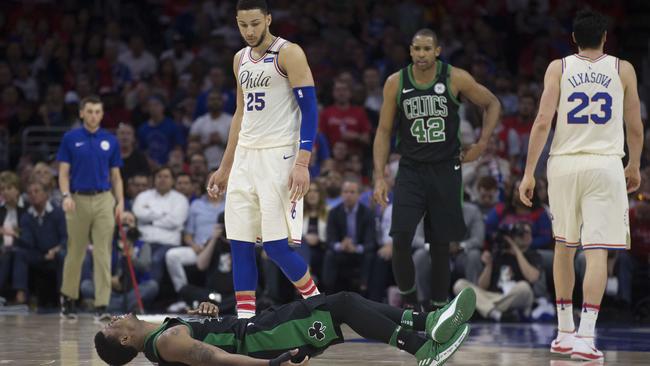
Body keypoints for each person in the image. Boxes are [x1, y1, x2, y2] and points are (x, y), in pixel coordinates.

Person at [518, 9, 644, 362]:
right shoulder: (623, 69)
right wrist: (634, 164)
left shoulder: (558, 67)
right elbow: (635, 126)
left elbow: (543, 120)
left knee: (563, 246)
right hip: (604, 164)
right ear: (605, 37)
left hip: (563, 165)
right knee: (597, 251)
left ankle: (563, 333)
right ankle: (586, 337)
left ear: (573, 38)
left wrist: (528, 172)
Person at [206, 0, 320, 318]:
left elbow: (310, 109)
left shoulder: (289, 53)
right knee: (239, 243)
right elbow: (239, 114)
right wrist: (225, 167)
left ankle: (319, 304)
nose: (250, 31)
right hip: (245, 157)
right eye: (243, 25)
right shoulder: (239, 59)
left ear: (268, 19)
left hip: (279, 155)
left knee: (275, 247)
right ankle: (246, 323)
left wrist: (302, 162)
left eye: (256, 23)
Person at [373, 28, 501, 309]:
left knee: (441, 244)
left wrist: (480, 144)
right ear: (410, 51)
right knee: (401, 238)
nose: (421, 54)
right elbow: (383, 132)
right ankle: (409, 304)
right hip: (410, 169)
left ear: (438, 51)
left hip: (445, 169)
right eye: (416, 49)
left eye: (427, 49)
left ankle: (437, 308)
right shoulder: (396, 82)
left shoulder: (455, 77)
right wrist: (379, 176)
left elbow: (492, 103)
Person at [95, 288, 477, 366]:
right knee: (340, 307)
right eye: (111, 328)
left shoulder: (165, 333)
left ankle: (430, 322)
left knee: (342, 302)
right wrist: (272, 365)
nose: (113, 320)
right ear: (126, 340)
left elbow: (208, 340)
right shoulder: (168, 342)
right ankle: (423, 348)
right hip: (262, 339)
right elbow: (215, 358)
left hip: (258, 329)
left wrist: (204, 315)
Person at [57, 95, 125, 320]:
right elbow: (63, 172)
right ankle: (68, 299)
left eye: (98, 111)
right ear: (81, 113)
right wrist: (65, 195)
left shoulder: (110, 140)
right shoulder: (70, 138)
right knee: (75, 251)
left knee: (103, 252)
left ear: (102, 114)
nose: (94, 115)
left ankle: (101, 306)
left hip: (104, 198)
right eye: (90, 111)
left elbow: (116, 176)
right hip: (77, 199)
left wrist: (120, 202)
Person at [453, 222, 541, 321]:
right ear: (513, 236)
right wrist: (488, 265)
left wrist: (516, 250)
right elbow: (482, 286)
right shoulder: (498, 253)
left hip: (514, 297)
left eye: (529, 232)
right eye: (522, 233)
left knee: (524, 287)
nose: (526, 235)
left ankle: (483, 309)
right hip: (492, 296)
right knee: (459, 284)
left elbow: (532, 277)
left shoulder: (533, 255)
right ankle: (496, 314)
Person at [132, 166, 189, 286]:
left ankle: (149, 293)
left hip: (168, 243)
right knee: (134, 259)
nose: (162, 179)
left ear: (173, 180)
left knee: (156, 259)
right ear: (154, 180)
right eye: (159, 176)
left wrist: (150, 219)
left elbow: (175, 221)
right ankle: (134, 292)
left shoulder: (180, 199)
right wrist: (164, 215)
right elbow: (138, 213)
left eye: (166, 177)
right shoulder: (143, 196)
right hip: (144, 241)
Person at [12, 181, 67, 305]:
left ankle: (64, 297)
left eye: (37, 191)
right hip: (38, 254)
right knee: (20, 253)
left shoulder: (58, 213)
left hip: (57, 252)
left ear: (46, 194)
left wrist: (56, 249)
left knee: (63, 255)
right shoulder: (27, 217)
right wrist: (18, 235)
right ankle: (20, 295)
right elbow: (28, 242)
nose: (33, 195)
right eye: (30, 193)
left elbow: (65, 237)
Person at [322, 178, 375, 294]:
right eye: (345, 192)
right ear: (341, 194)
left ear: (359, 195)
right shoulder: (334, 213)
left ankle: (364, 289)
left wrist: (356, 248)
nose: (348, 195)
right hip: (341, 251)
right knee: (329, 254)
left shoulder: (368, 213)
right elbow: (330, 239)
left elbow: (371, 242)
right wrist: (340, 245)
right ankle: (327, 294)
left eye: (352, 192)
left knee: (370, 255)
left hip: (359, 252)